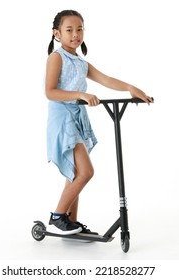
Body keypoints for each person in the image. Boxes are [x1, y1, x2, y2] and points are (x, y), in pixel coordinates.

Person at [45, 10, 153, 235]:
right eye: (69, 30)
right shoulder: (56, 57)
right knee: (85, 172)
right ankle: (57, 216)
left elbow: (106, 79)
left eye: (80, 29)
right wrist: (81, 95)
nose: (75, 34)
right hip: (63, 119)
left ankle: (71, 222)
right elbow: (50, 91)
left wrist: (131, 89)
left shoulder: (81, 62)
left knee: (75, 174)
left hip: (77, 118)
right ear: (57, 33)